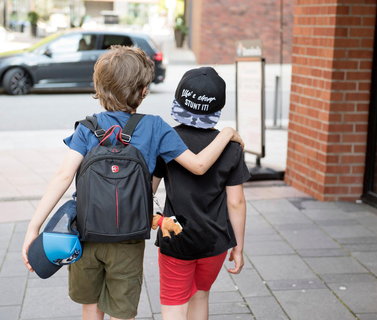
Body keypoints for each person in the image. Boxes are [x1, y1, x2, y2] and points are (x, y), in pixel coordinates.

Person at [21, 46, 244, 320]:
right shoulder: (154, 127)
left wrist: (34, 227)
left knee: (90, 306)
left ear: (99, 86)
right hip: (128, 239)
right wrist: (228, 134)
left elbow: (63, 177)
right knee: (120, 310)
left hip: (85, 234)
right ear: (143, 91)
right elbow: (198, 165)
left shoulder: (87, 128)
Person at [152, 67, 250, 320]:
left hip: (176, 236)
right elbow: (236, 202)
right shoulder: (231, 147)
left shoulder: (167, 140)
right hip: (215, 240)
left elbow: (148, 190)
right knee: (201, 294)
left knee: (174, 300)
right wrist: (237, 246)